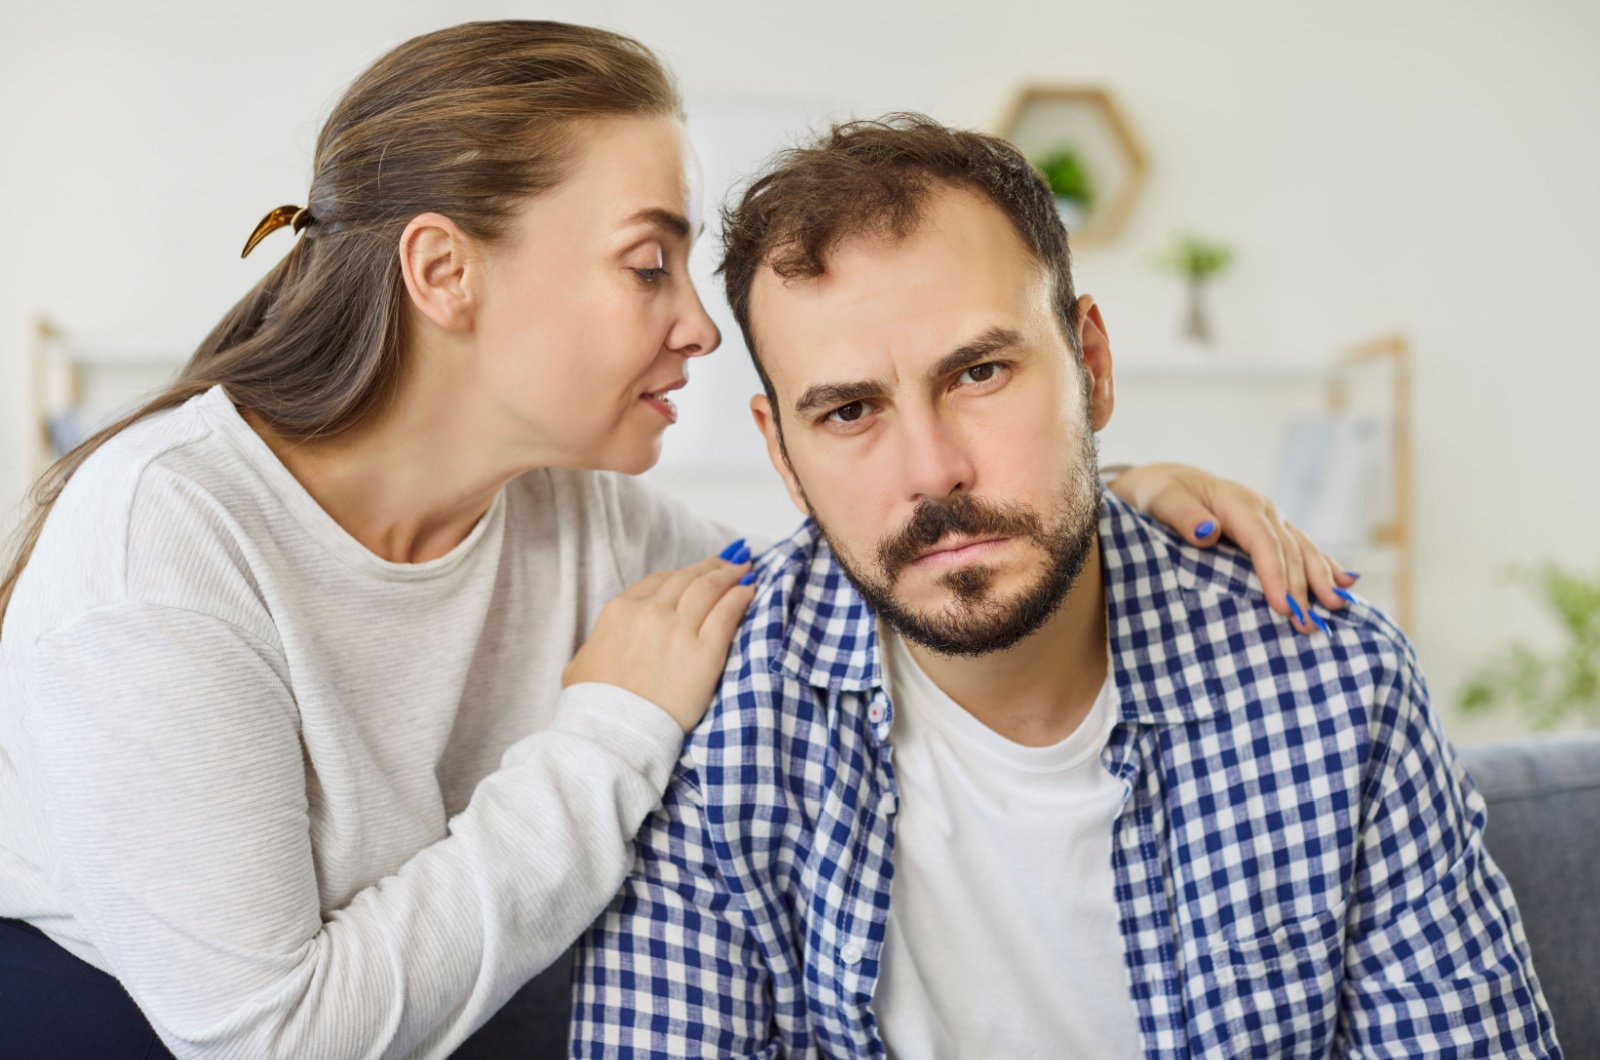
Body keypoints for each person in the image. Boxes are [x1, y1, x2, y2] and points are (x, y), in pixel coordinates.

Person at [0, 23, 1350, 1060]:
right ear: (443, 273)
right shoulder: (161, 556)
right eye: (649, 263)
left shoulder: (582, 520)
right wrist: (607, 736)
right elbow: (271, 1034)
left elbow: (875, 569)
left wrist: (1101, 493)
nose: (700, 329)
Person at [571, 114, 1560, 1058]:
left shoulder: (1332, 686)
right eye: (847, 411)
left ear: (1090, 362)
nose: (931, 471)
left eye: (979, 374)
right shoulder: (714, 735)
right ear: (781, 453)